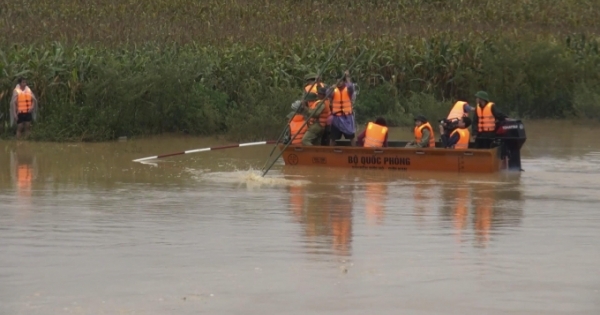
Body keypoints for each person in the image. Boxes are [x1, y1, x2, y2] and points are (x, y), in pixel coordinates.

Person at [329, 70, 356, 146]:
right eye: (337, 81)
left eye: (341, 81)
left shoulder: (348, 90)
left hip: (347, 118)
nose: (339, 83)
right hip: (336, 118)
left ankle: (355, 152)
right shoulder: (334, 90)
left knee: (351, 137)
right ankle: (331, 153)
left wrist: (347, 77)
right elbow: (328, 95)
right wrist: (331, 89)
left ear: (344, 82)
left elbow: (351, 87)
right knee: (332, 138)